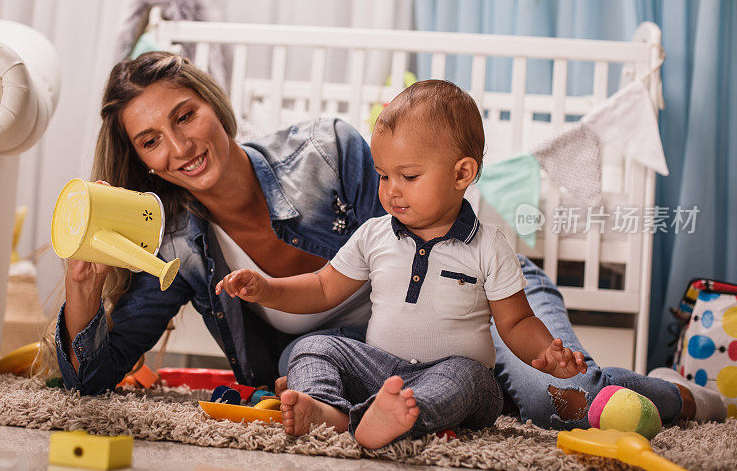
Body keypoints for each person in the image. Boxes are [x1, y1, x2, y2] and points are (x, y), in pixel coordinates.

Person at [56, 53, 725, 434]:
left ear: (212, 104)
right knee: (329, 368)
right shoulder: (177, 240)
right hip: (388, 368)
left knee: (561, 402)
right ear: (141, 161)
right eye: (151, 141)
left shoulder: (330, 151)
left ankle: (689, 396)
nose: (179, 147)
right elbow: (90, 378)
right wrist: (83, 287)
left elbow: (432, 237)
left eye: (185, 115)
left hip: (485, 303)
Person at [215, 79, 590, 447]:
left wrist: (544, 353)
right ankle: (331, 411)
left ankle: (395, 418)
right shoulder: (373, 235)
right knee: (312, 348)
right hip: (380, 369)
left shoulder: (489, 246)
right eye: (383, 175)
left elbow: (517, 321)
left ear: (462, 173)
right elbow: (322, 287)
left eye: (408, 176)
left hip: (452, 375)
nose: (391, 189)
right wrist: (266, 288)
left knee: (469, 377)